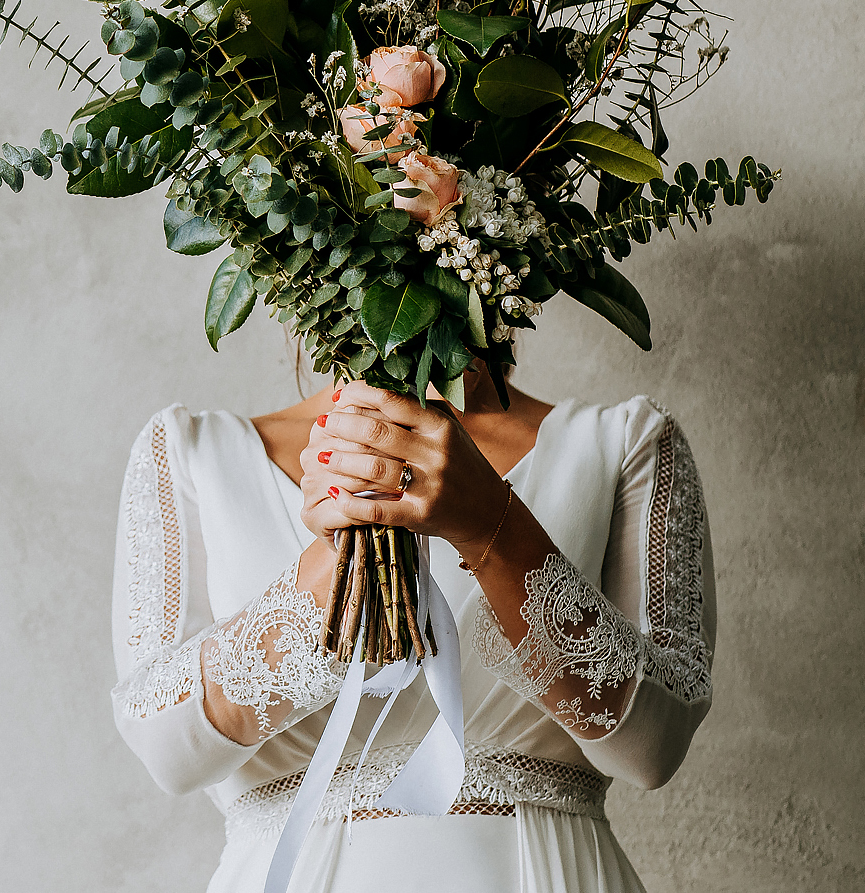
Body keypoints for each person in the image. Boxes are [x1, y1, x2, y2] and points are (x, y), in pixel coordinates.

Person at [110, 363, 713, 892]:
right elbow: (168, 752)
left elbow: (653, 748)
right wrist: (336, 551)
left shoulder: (624, 441)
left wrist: (492, 526)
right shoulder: (192, 450)